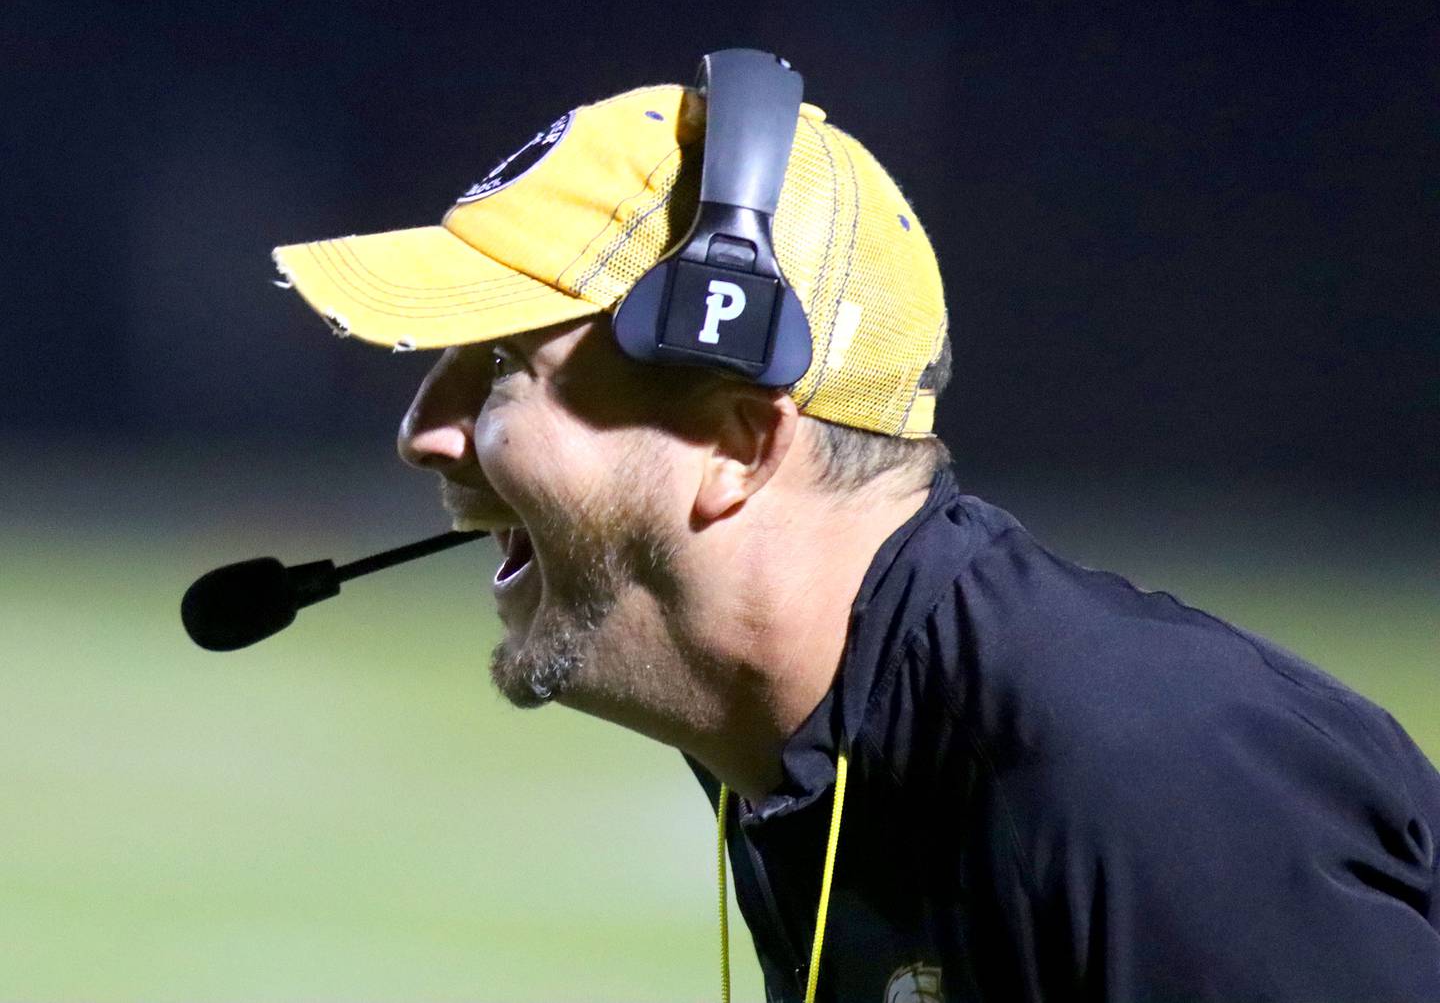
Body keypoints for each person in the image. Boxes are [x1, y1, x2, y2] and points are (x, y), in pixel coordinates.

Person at [270, 69, 1440, 1002]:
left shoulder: (1145, 781)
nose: (424, 435)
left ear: (737, 443)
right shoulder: (805, 744)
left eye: (502, 369)